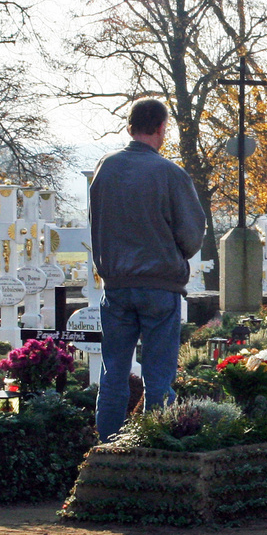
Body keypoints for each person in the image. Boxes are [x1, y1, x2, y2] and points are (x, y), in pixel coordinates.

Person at [88, 98, 207, 442]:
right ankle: (156, 447)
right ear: (160, 128)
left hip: (116, 285)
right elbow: (191, 234)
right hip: (159, 286)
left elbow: (97, 223)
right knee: (158, 378)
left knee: (113, 374)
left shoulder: (105, 169)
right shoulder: (170, 173)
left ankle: (106, 450)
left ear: (130, 127)